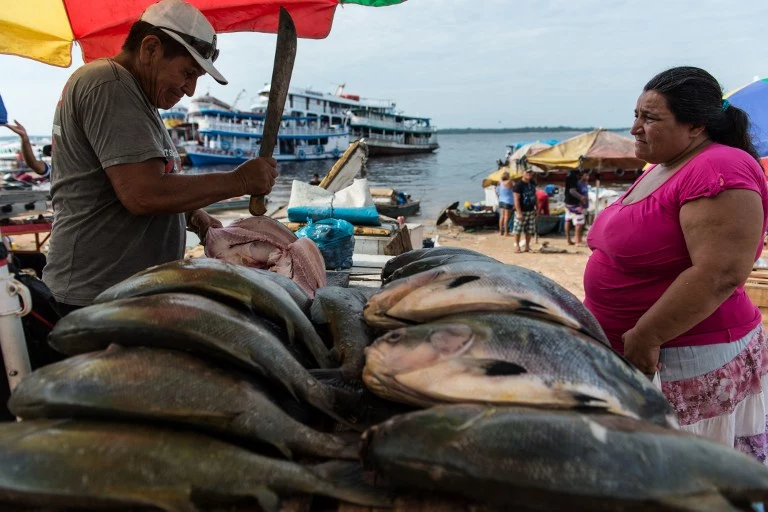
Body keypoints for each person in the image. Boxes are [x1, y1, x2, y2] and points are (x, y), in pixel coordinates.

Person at [43, 0, 278, 314]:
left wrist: (194, 215)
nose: (191, 89)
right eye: (187, 72)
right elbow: (142, 193)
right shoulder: (108, 84)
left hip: (124, 294)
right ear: (150, 49)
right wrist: (240, 180)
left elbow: (134, 182)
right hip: (97, 298)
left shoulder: (139, 99)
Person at [583, 66, 768, 462]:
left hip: (687, 356)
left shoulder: (718, 168)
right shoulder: (665, 165)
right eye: (636, 115)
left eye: (650, 118)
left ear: (696, 126)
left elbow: (720, 274)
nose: (635, 128)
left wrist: (647, 336)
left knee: (695, 479)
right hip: (646, 353)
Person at [512, 169, 537, 252]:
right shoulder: (518, 185)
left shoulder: (532, 183)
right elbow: (516, 199)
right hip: (522, 210)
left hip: (531, 209)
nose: (529, 174)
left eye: (530, 172)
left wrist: (537, 207)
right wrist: (519, 213)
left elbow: (535, 196)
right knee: (518, 229)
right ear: (522, 174)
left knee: (529, 229)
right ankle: (517, 246)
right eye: (527, 172)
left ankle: (527, 246)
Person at [564, 170, 588, 245]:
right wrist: (582, 198)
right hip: (575, 204)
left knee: (568, 220)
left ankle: (569, 239)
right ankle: (577, 240)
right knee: (579, 222)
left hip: (568, 202)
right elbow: (572, 191)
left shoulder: (568, 176)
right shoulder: (575, 179)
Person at [495, 171, 514, 236]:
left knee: (501, 217)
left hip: (501, 201)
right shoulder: (509, 182)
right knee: (506, 217)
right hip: (508, 201)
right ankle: (506, 232)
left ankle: (500, 231)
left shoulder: (500, 182)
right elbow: (514, 187)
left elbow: (497, 192)